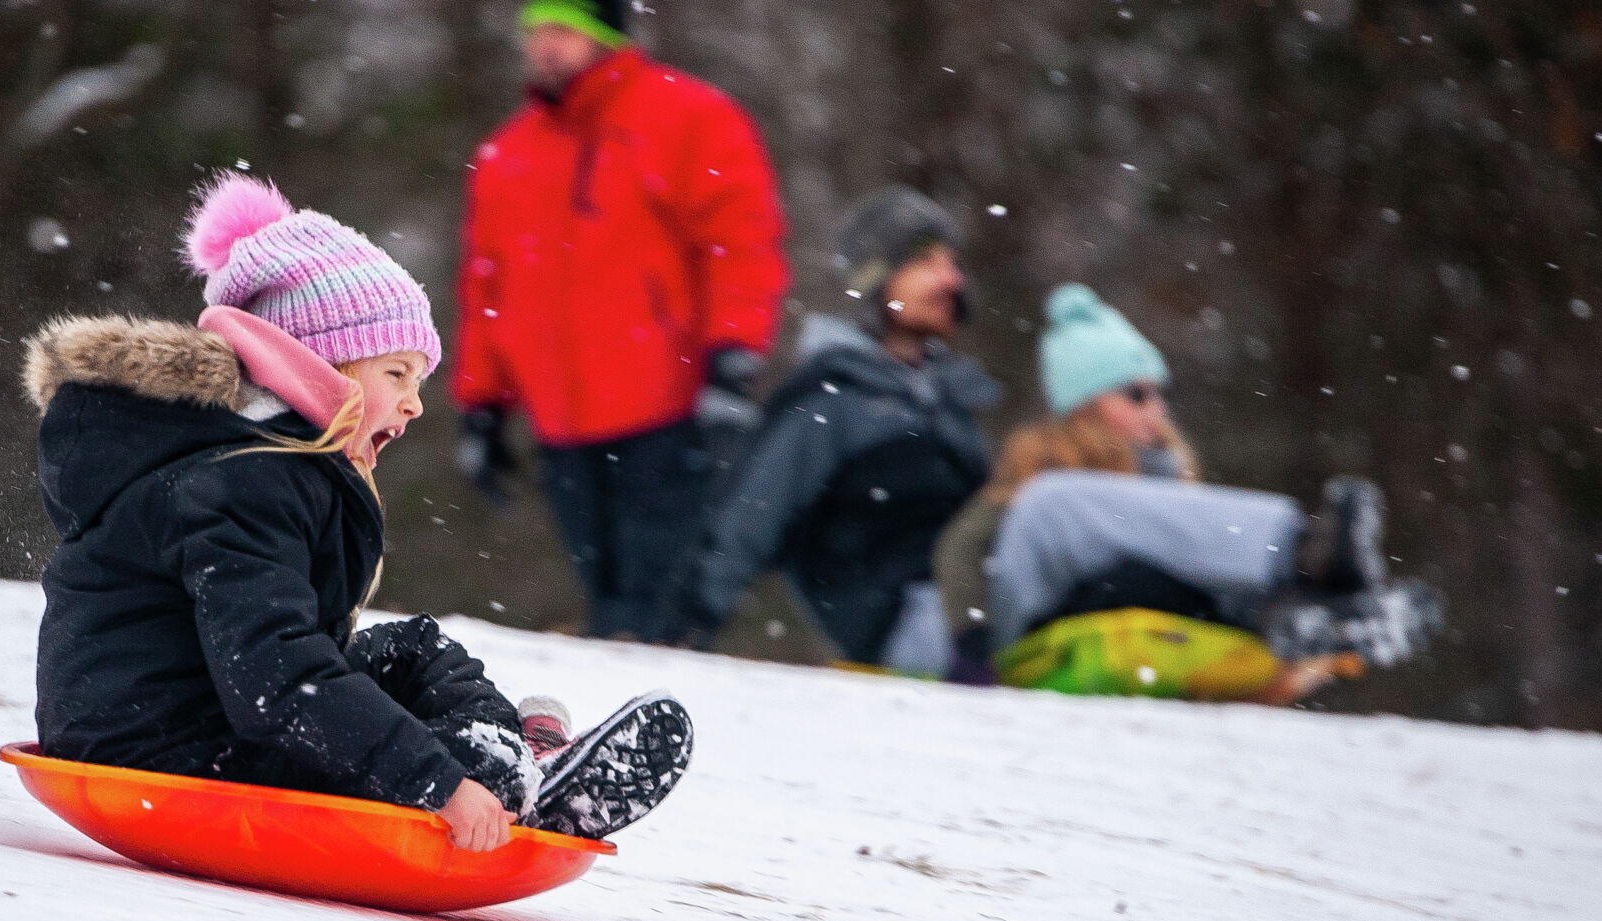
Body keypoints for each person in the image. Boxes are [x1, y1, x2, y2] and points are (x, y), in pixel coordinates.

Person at [25, 172, 692, 848]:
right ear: (319, 364)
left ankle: (507, 760)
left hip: (204, 716)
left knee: (414, 649)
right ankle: (491, 778)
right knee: (353, 731)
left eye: (419, 380)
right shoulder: (244, 479)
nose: (414, 403)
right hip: (159, 746)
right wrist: (437, 782)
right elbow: (279, 680)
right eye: (396, 374)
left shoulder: (268, 461)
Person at [452, 0, 789, 640]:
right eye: (537, 29)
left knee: (664, 607)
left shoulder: (691, 117)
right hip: (562, 423)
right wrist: (483, 404)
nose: (545, 45)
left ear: (605, 33)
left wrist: (735, 350)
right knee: (607, 605)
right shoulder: (507, 153)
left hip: (669, 409)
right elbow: (486, 287)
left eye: (564, 29)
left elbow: (741, 241)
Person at [934, 283, 1438, 684]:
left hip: (1115, 606)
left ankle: (1320, 618)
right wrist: (970, 647)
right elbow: (959, 551)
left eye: (1157, 394)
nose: (1156, 409)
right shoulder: (1039, 475)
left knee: (1152, 576)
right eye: (1135, 394)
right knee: (1060, 504)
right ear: (1085, 404)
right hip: (1019, 621)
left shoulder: (1164, 472)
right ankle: (1306, 548)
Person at [668, 186, 1000, 668]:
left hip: (975, 605)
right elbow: (747, 521)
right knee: (1057, 511)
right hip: (908, 623)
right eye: (926, 262)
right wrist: (682, 631)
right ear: (876, 278)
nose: (951, 279)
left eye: (952, 263)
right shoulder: (833, 399)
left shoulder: (949, 401)